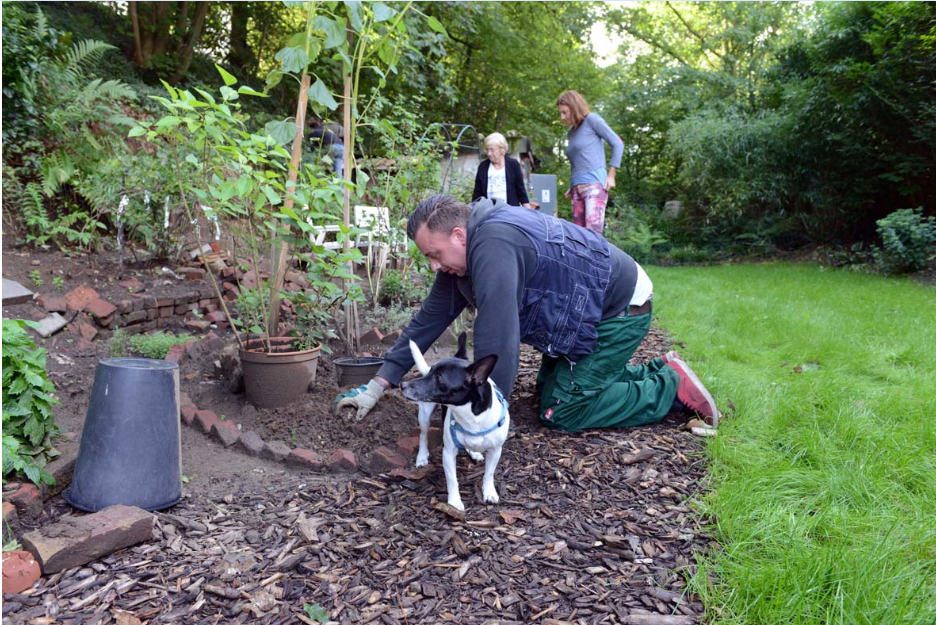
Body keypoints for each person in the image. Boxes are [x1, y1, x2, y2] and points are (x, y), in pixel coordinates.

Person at [334, 194, 720, 434]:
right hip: (585, 311)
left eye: (433, 255)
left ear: (457, 234)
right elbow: (426, 323)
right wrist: (377, 386)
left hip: (617, 312)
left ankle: (669, 389)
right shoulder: (465, 256)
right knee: (546, 394)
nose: (434, 266)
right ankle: (659, 372)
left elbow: (497, 336)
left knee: (562, 411)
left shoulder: (494, 246)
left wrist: (489, 422)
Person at [556, 90, 624, 234]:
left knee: (592, 237)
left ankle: (600, 257)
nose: (562, 117)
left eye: (565, 112)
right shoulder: (571, 132)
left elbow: (618, 144)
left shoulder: (592, 120)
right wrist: (573, 183)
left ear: (574, 108)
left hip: (594, 184)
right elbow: (578, 159)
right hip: (576, 188)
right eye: (560, 113)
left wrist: (611, 176)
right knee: (579, 238)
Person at [472, 132, 537, 209]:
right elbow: (477, 195)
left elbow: (521, 191)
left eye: (492, 150)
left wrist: (529, 213)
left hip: (510, 212)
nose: (489, 153)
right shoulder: (483, 167)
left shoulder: (513, 165)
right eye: (487, 150)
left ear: (502, 150)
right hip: (488, 213)